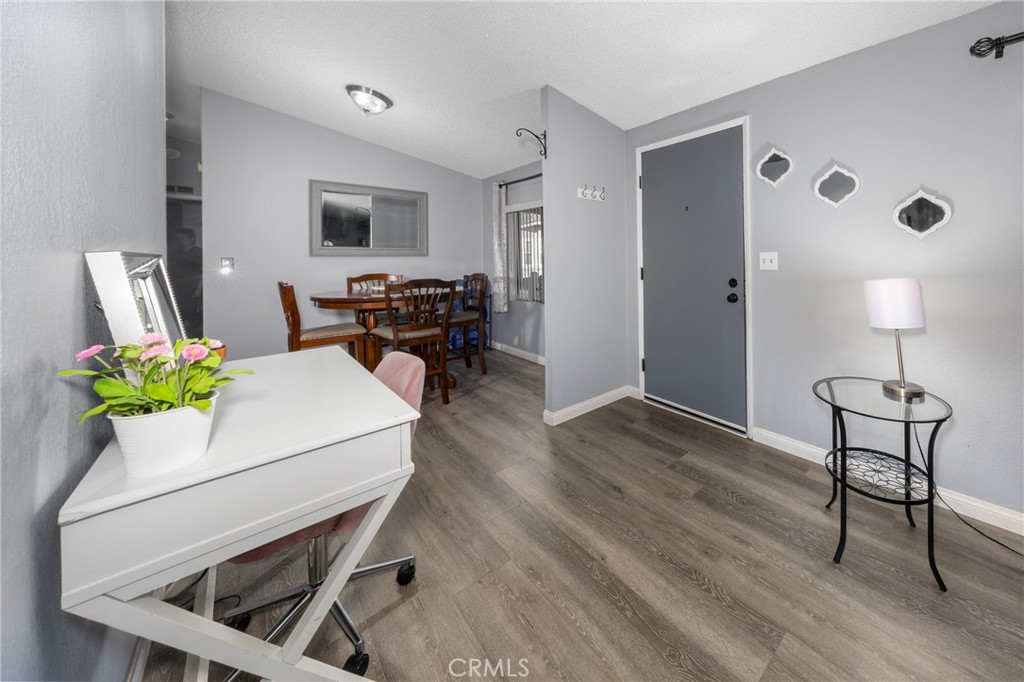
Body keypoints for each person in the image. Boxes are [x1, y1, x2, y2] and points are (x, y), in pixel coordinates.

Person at [168, 226, 203, 336]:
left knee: (191, 318)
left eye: (182, 238)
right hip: (177, 290)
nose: (179, 241)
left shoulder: (198, 253)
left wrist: (197, 292)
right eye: (177, 238)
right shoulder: (175, 253)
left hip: (191, 290)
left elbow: (202, 274)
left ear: (191, 239)